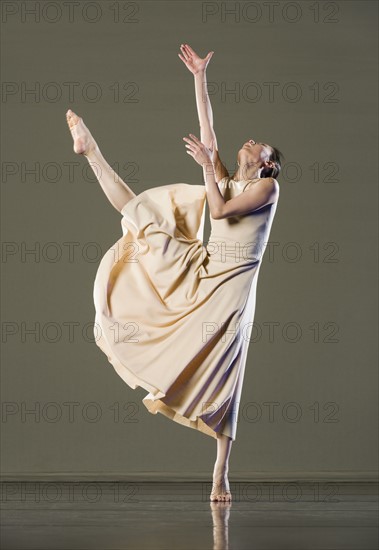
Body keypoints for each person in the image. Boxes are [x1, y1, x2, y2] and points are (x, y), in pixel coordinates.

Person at [65, 43, 283, 503]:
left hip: (231, 290)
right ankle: (91, 152)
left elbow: (220, 210)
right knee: (145, 217)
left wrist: (208, 166)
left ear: (267, 161)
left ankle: (220, 473)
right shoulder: (230, 172)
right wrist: (199, 78)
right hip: (202, 268)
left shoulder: (268, 186)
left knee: (226, 374)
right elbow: (210, 132)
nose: (248, 142)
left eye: (256, 144)